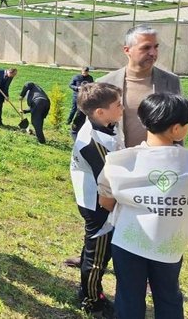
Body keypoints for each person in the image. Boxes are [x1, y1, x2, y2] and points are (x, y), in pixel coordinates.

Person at [97, 93, 188, 319]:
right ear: (177, 129)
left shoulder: (120, 161)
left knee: (129, 296)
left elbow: (106, 202)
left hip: (128, 241)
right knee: (168, 295)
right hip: (170, 244)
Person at [69, 82, 124, 317]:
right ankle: (91, 299)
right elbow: (109, 182)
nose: (123, 107)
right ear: (100, 112)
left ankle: (88, 287)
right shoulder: (93, 143)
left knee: (93, 246)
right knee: (98, 255)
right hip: (98, 204)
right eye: (118, 104)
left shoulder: (102, 125)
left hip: (94, 199)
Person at [97, 25, 181, 148]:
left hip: (159, 161)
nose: (153, 53)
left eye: (156, 47)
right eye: (146, 47)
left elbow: (178, 126)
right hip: (119, 160)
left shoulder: (171, 81)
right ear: (127, 50)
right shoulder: (105, 83)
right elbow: (96, 128)